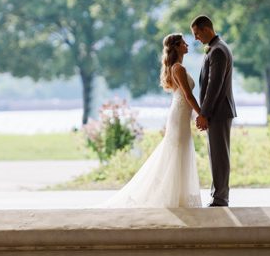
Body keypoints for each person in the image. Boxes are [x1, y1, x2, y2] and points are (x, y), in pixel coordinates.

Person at [102, 33, 203, 208]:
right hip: (179, 115)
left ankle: (179, 195)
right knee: (177, 151)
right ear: (177, 46)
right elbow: (188, 95)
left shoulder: (177, 67)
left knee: (179, 151)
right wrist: (201, 114)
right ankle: (171, 196)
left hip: (180, 114)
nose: (187, 45)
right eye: (184, 43)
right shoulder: (178, 68)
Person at [190, 15, 237, 207]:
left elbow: (213, 86)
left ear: (206, 29)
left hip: (218, 112)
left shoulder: (217, 51)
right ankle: (218, 195)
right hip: (219, 111)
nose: (195, 38)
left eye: (196, 33)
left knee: (219, 156)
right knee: (217, 155)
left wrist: (204, 114)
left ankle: (220, 198)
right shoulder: (218, 48)